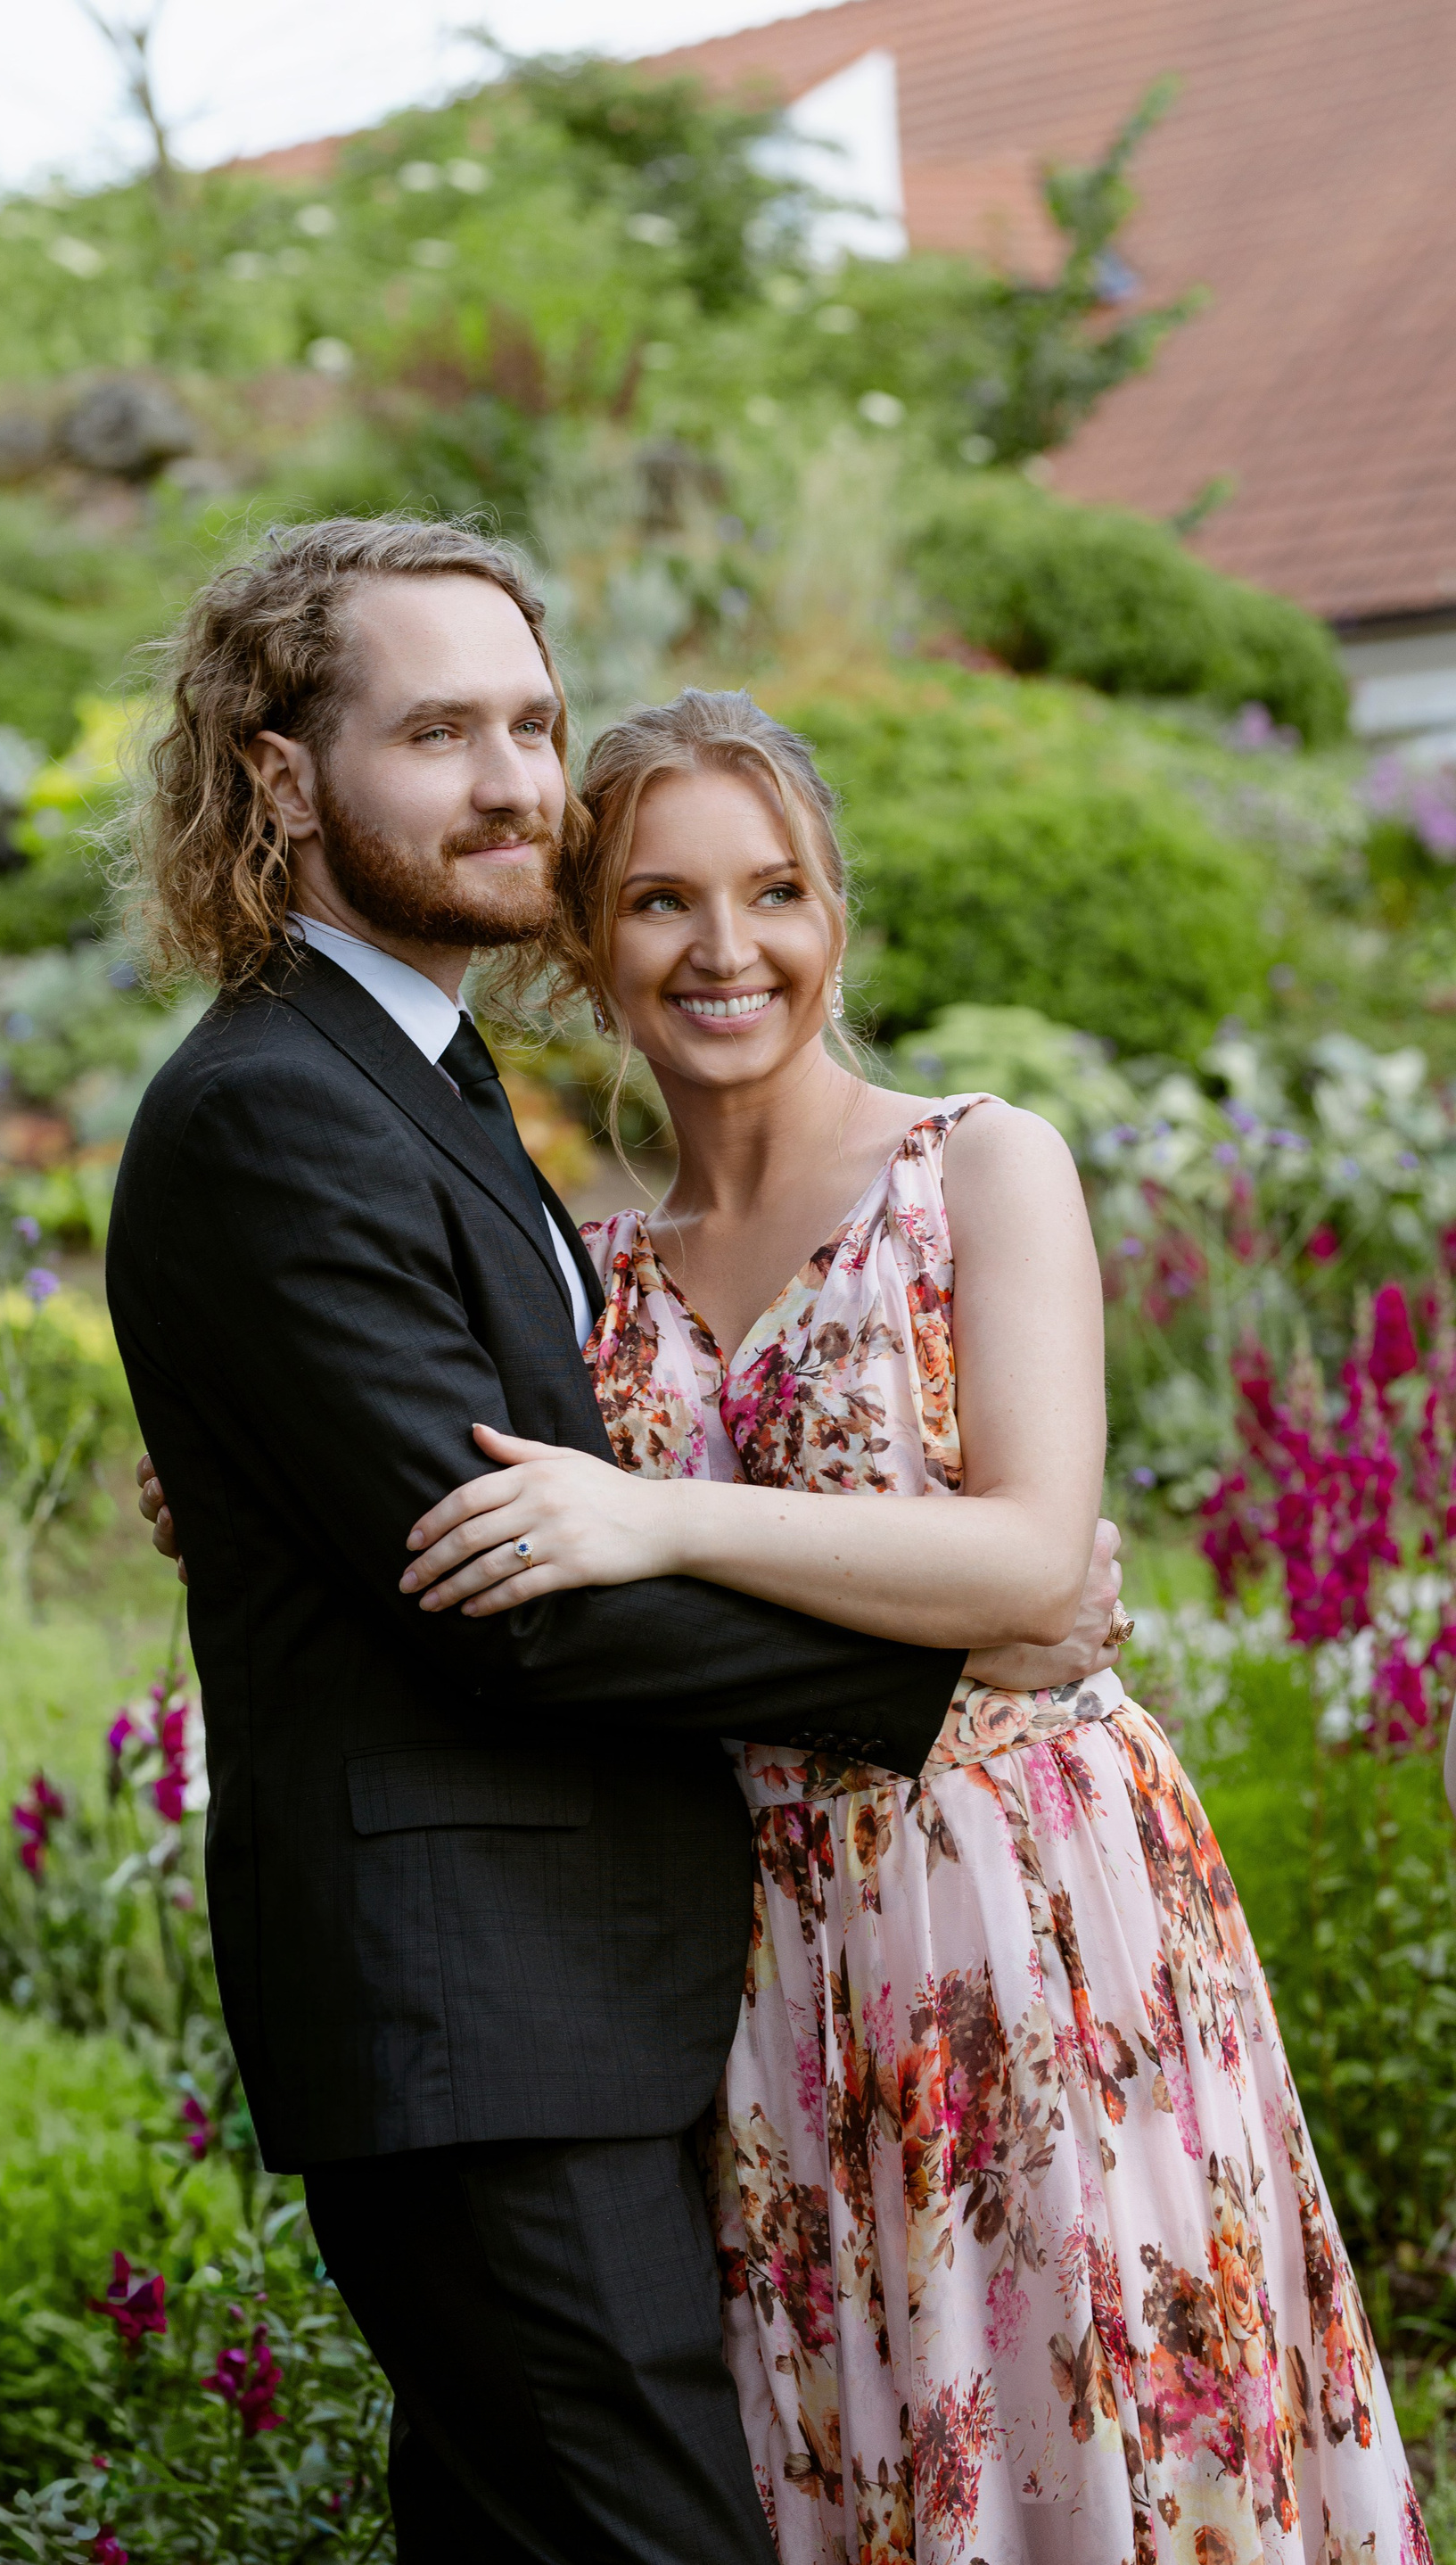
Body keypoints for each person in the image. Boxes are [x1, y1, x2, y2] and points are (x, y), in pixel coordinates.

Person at [109, 519, 1121, 2565]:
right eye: (438, 734)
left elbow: (498, 1481)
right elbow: (515, 1605)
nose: (512, 783)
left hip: (625, 2003)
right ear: (282, 775)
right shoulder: (280, 1104)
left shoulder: (425, 1079)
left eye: (531, 724)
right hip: (486, 2025)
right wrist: (951, 1658)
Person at [393, 689, 1430, 2565]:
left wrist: (657, 1517)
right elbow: (457, 1509)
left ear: (836, 914)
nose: (725, 949)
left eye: (775, 891)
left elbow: (1030, 1564)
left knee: (1086, 2420)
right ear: (584, 940)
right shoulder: (586, 1274)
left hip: (1025, 1904)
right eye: (660, 900)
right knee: (858, 2456)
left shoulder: (975, 1168)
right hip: (755, 1948)